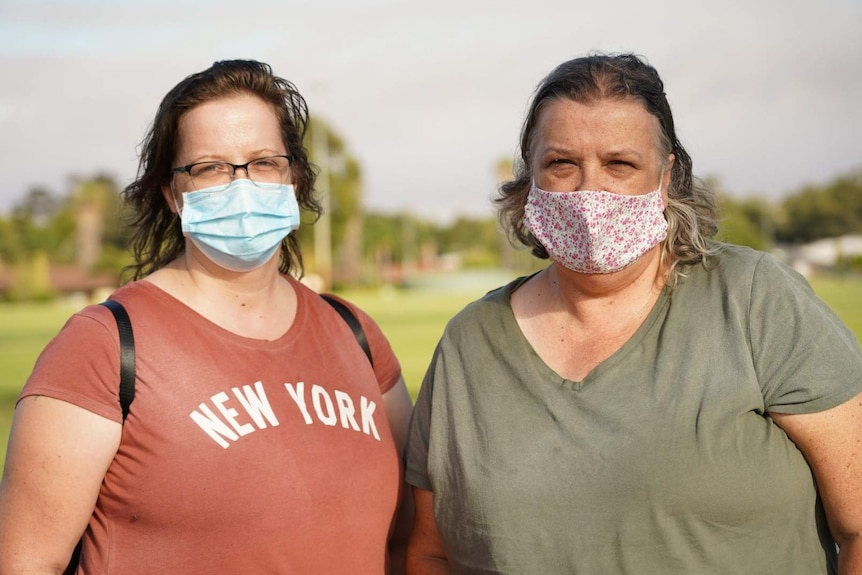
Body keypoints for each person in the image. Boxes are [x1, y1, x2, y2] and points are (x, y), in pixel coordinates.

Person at [404, 52, 862, 574]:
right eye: (561, 164)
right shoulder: (470, 342)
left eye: (619, 165)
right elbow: (431, 551)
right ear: (530, 177)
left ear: (665, 178)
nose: (589, 190)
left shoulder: (756, 301)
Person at [0, 59, 413, 573]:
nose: (241, 185)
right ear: (173, 194)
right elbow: (27, 562)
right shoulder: (105, 345)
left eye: (263, 162)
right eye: (210, 167)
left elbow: (406, 540)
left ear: (294, 178)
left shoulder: (355, 333)